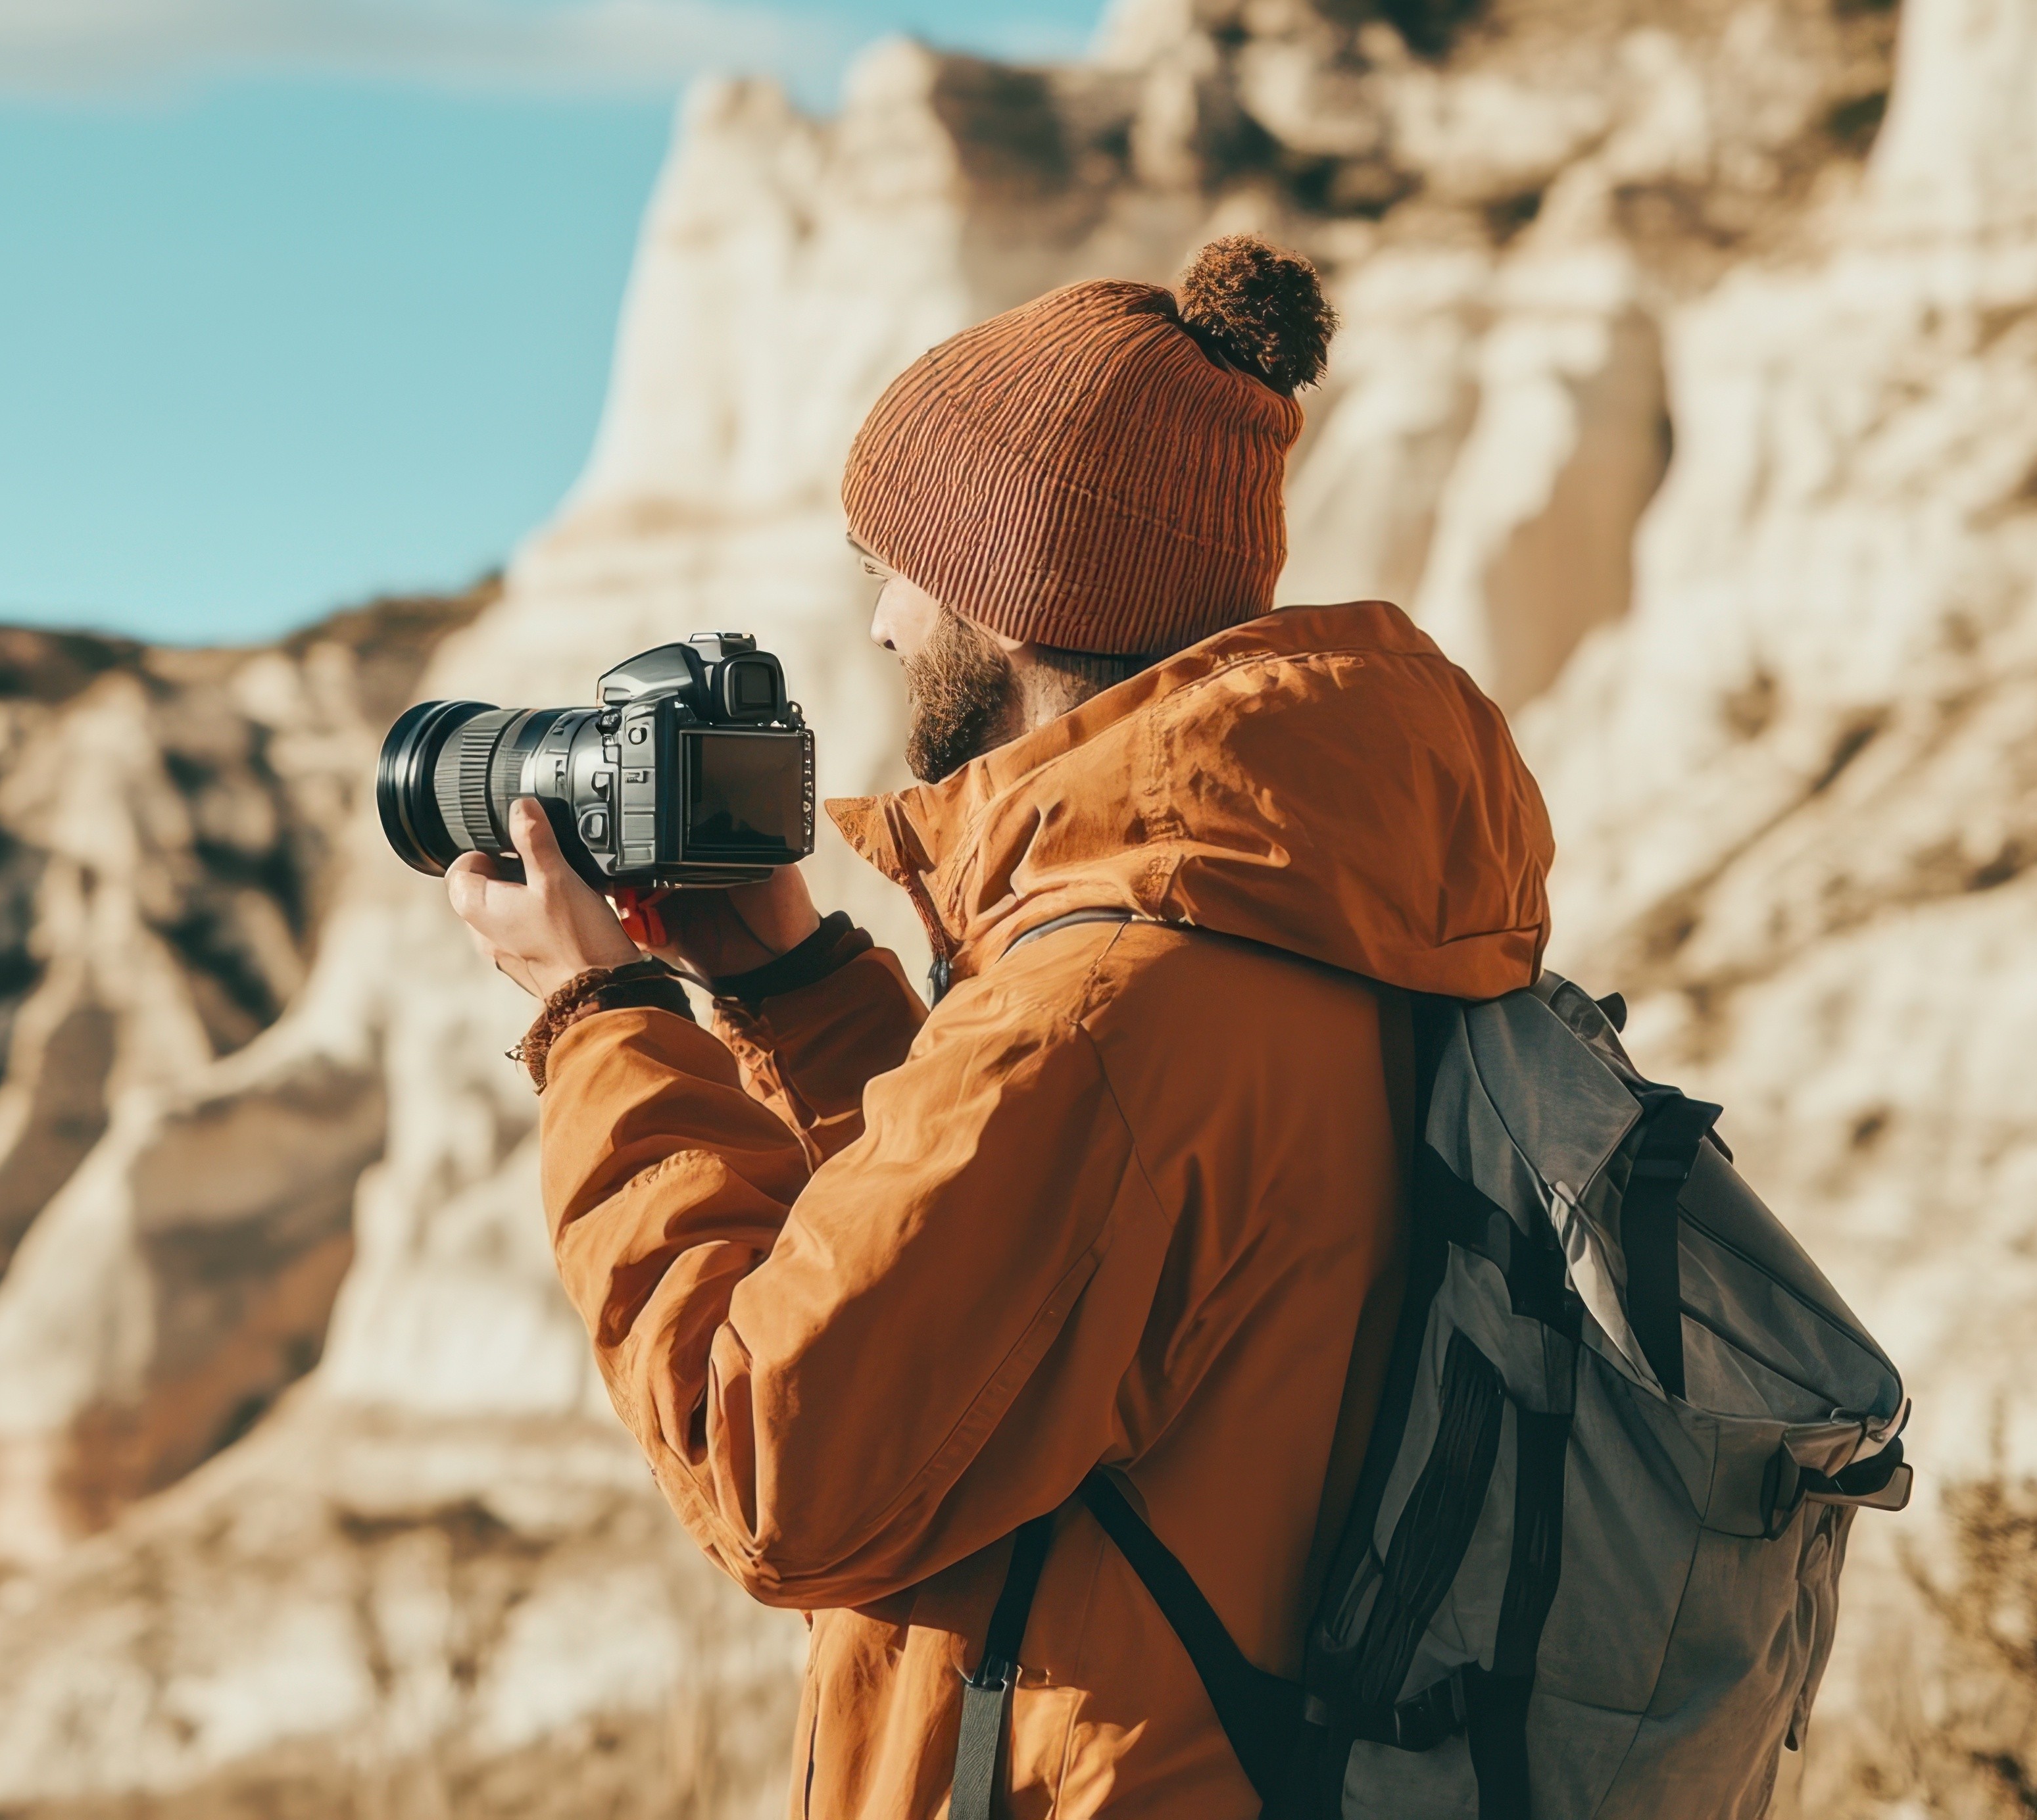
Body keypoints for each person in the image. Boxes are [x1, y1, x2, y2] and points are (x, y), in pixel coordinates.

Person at [441, 236, 1557, 1819]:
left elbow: (780, 1473)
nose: (885, 622)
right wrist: (796, 992)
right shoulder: (1295, 912)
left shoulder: (1103, 1004)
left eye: (896, 564)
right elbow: (1019, 1281)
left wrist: (597, 1017)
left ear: (1005, 582)